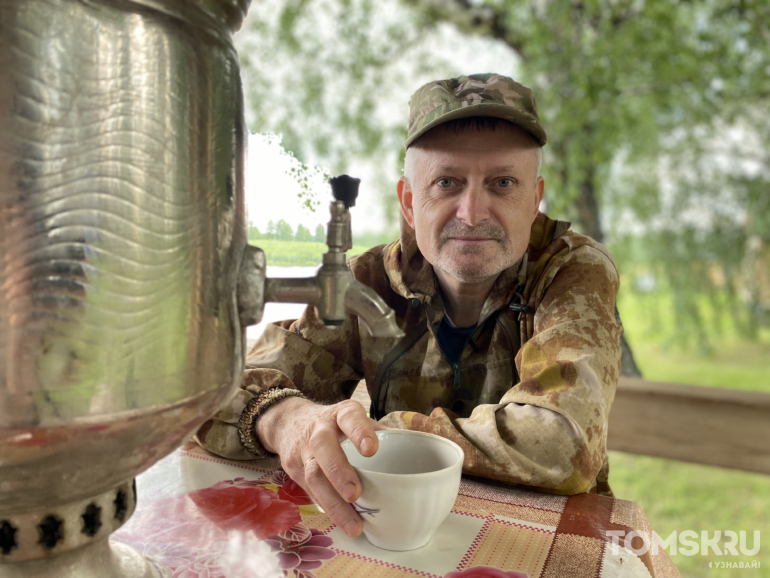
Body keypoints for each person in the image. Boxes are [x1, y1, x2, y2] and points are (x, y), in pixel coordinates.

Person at [195, 73, 623, 539]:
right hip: (391, 535)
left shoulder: (571, 271)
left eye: (502, 182)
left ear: (535, 200)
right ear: (408, 202)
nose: (473, 213)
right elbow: (212, 394)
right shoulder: (368, 280)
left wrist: (378, 434)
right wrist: (287, 420)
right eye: (446, 182)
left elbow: (561, 444)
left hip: (544, 540)